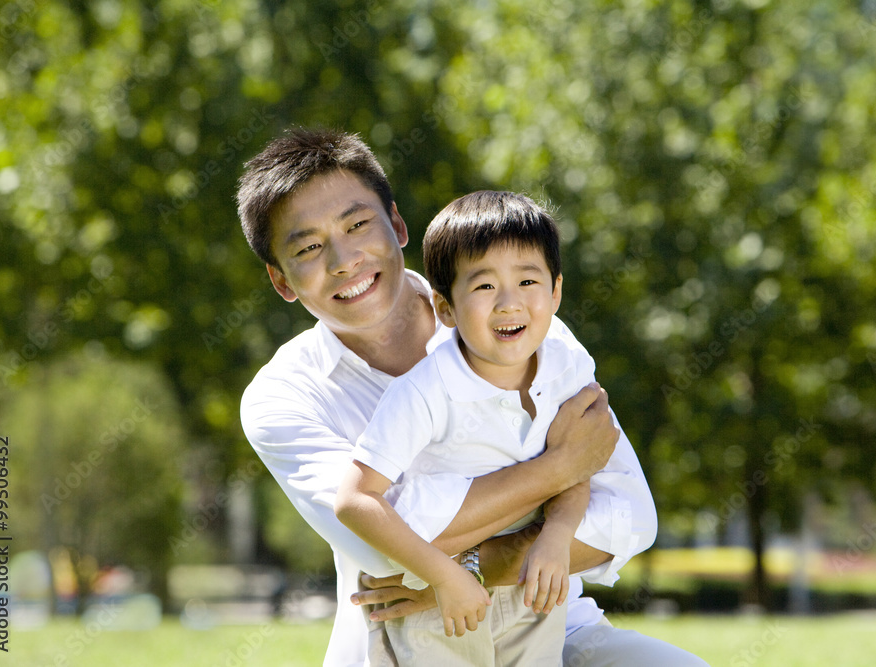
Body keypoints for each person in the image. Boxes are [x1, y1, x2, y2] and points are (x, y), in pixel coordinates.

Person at [237, 127, 709, 666]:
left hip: (550, 618)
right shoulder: (282, 397)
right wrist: (560, 469)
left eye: (358, 224)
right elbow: (379, 547)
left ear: (396, 224)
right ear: (281, 280)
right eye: (310, 247)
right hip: (407, 638)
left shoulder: (524, 327)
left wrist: (475, 566)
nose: (344, 259)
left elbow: (629, 517)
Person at [335, 191, 607, 665]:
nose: (509, 303)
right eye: (483, 287)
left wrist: (558, 535)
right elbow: (354, 501)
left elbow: (574, 465)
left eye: (528, 280)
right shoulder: (424, 390)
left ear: (556, 291)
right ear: (445, 308)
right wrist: (443, 576)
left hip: (531, 588)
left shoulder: (566, 368)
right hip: (437, 600)